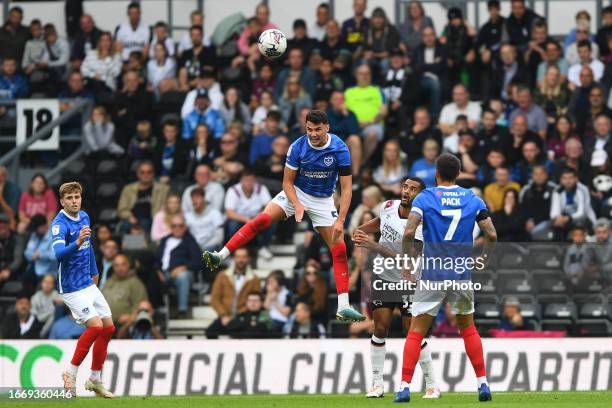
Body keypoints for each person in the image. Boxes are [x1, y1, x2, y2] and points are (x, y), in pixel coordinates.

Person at [204, 110, 365, 322]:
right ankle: (220, 255)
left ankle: (343, 306)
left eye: (318, 129)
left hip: (323, 200)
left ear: (327, 128)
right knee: (261, 220)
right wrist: (297, 205)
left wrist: (341, 220)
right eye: (309, 129)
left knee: (340, 248)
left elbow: (346, 189)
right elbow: (287, 183)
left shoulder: (340, 148)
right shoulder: (297, 146)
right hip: (295, 193)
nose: (313, 134)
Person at [396, 153, 497, 402]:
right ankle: (483, 384)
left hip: (432, 273)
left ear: (436, 174)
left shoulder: (425, 198)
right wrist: (483, 258)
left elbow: (409, 231)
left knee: (416, 331)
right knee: (468, 328)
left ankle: (404, 387)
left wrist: (408, 260)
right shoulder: (473, 198)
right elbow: (492, 235)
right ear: (459, 173)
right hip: (461, 274)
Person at [352, 177, 440, 399]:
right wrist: (360, 230)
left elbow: (406, 259)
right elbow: (380, 222)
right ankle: (377, 384)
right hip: (383, 276)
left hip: (410, 282)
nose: (406, 191)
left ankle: (432, 384)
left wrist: (372, 244)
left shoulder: (421, 224)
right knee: (380, 329)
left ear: (420, 194)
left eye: (412, 189)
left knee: (412, 331)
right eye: (405, 187)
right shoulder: (389, 206)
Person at [51, 182, 114, 398]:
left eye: (77, 196)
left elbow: (89, 246)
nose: (74, 201)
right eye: (69, 198)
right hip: (70, 286)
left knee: (108, 328)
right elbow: (59, 254)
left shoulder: (85, 216)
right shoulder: (59, 224)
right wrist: (77, 242)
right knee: (95, 327)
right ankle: (70, 373)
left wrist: (94, 270)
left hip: (87, 281)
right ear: (62, 201)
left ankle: (95, 380)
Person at [155, 214, 202, 318]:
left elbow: (198, 261)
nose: (177, 228)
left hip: (182, 273)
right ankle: (154, 310)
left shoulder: (190, 241)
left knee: (183, 276)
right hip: (163, 273)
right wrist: (158, 272)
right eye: (174, 226)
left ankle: (182, 311)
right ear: (170, 227)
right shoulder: (164, 240)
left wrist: (183, 268)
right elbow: (156, 259)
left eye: (180, 225)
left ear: (185, 227)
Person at [207, 248, 261, 338]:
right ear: (234, 258)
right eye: (238, 257)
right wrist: (224, 315)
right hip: (225, 315)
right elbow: (214, 299)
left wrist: (241, 315)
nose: (241, 260)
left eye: (244, 257)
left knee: (240, 331)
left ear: (248, 259)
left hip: (244, 316)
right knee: (210, 332)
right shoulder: (222, 276)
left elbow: (255, 300)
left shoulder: (254, 279)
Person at [223, 170, 273, 260]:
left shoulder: (261, 188)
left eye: (251, 180)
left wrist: (259, 216)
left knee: (271, 219)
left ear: (255, 180)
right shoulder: (233, 190)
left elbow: (269, 206)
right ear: (241, 180)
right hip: (240, 219)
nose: (248, 183)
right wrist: (246, 219)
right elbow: (229, 212)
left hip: (257, 217)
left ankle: (263, 247)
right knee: (232, 224)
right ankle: (233, 251)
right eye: (246, 180)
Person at [345, 64, 387, 162]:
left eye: (367, 74)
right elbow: (344, 110)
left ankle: (362, 162)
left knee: (373, 134)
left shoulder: (378, 91)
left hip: (373, 125)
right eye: (361, 74)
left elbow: (384, 111)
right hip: (353, 126)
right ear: (356, 75)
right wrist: (354, 124)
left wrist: (367, 123)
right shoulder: (348, 92)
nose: (364, 76)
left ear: (371, 75)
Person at [101, 254, 148, 326]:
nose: (120, 268)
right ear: (113, 267)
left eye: (123, 264)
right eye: (116, 265)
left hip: (123, 324)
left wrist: (130, 315)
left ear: (128, 265)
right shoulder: (109, 281)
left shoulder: (135, 283)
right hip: (104, 322)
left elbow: (140, 305)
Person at [24, 214, 57, 281]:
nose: (34, 231)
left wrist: (40, 254)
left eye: (36, 229)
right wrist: (33, 255)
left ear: (44, 226)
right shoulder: (35, 234)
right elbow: (27, 252)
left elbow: (55, 255)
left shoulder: (55, 235)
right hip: (33, 269)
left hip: (49, 273)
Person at [30, 273, 60, 338]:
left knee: (52, 316)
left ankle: (41, 336)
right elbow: (33, 312)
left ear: (53, 285)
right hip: (37, 322)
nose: (47, 285)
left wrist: (40, 315)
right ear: (41, 283)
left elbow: (52, 312)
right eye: (45, 282)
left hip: (50, 323)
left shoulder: (57, 296)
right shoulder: (36, 296)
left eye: (50, 283)